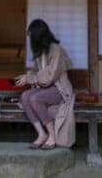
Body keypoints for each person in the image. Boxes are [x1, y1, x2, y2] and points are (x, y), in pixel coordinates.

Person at [15, 19, 75, 149]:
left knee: (35, 98)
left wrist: (30, 79)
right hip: (45, 89)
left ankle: (52, 135)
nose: (30, 40)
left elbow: (50, 76)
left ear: (38, 36)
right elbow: (35, 71)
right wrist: (26, 77)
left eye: (32, 36)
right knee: (25, 96)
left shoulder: (56, 50)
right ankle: (41, 134)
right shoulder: (39, 51)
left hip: (59, 89)